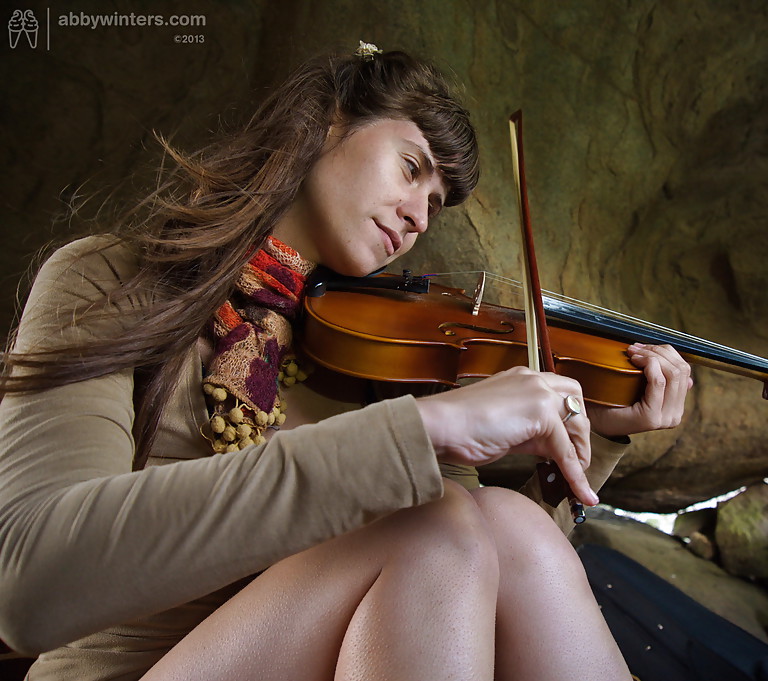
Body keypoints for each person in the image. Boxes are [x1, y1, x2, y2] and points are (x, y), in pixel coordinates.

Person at [0, 44, 692, 681]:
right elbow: (25, 583)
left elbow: (494, 574)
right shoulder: (109, 278)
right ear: (330, 121)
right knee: (436, 521)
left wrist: (597, 436)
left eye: (436, 204)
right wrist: (417, 432)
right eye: (412, 168)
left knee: (499, 518)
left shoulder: (381, 347)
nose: (421, 215)